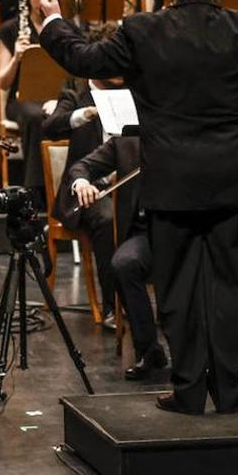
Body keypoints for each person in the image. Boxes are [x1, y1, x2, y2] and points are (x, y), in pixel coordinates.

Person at [37, 0, 238, 415]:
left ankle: (188, 390)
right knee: (232, 289)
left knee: (178, 291)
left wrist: (53, 19)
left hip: (172, 187)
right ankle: (231, 390)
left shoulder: (143, 31)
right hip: (234, 184)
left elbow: (82, 58)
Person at [42, 24, 127, 321]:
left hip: (127, 184)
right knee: (107, 217)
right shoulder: (74, 96)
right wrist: (85, 115)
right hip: (86, 190)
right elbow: (50, 127)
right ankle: (112, 306)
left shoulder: (131, 94)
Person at [63, 134, 162, 380]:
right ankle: (149, 351)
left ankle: (195, 354)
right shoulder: (126, 142)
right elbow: (81, 167)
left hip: (183, 233)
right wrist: (83, 183)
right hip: (146, 234)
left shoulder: (182, 137)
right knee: (123, 263)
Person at [0, 0, 58, 200]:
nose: (42, 1)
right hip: (22, 99)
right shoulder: (11, 30)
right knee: (35, 116)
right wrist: (17, 57)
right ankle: (35, 192)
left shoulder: (63, 27)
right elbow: (2, 82)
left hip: (56, 96)